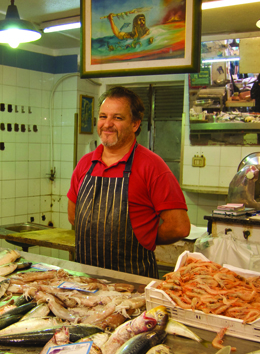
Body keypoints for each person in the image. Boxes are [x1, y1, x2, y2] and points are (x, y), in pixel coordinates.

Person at [67, 87, 190, 278]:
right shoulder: (85, 163)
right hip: (85, 281)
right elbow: (74, 216)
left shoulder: (152, 166)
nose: (107, 124)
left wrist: (144, 237)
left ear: (135, 124)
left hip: (133, 284)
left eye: (117, 118)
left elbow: (179, 227)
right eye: (103, 116)